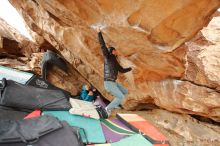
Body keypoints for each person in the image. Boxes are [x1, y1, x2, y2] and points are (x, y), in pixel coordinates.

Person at [97, 29, 132, 116]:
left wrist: (130, 69)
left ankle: (114, 104)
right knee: (121, 97)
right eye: (115, 50)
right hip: (108, 82)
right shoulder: (108, 57)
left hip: (114, 82)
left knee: (125, 92)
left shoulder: (115, 61)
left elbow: (121, 70)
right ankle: (107, 109)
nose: (117, 52)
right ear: (112, 51)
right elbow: (102, 45)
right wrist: (99, 33)